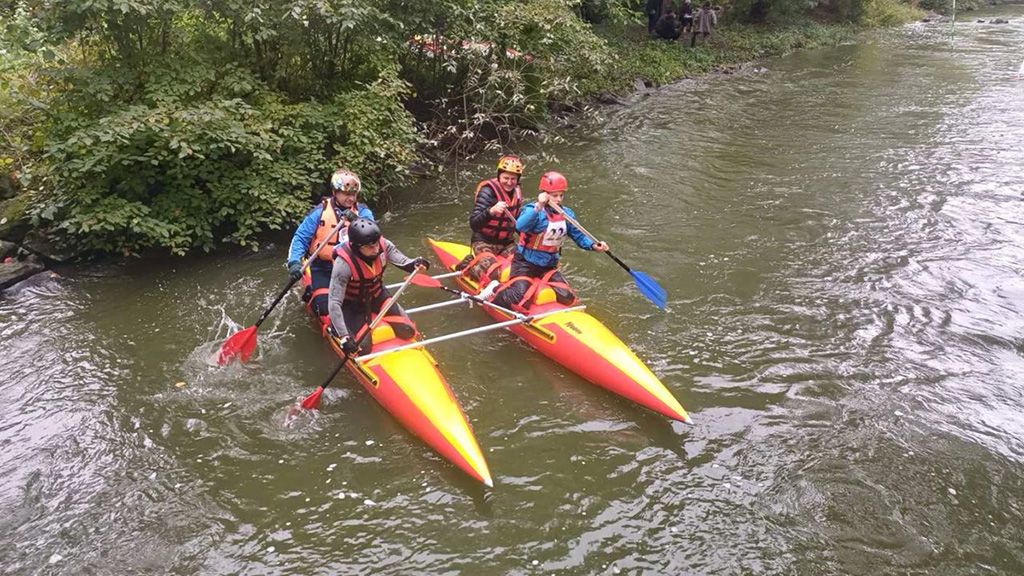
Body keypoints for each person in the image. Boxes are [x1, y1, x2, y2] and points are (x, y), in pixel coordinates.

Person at [486, 171, 609, 311]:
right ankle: (495, 291)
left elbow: (579, 236)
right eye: (554, 195)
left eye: (561, 195)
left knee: (567, 297)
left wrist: (593, 245)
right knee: (518, 294)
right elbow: (520, 225)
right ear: (545, 194)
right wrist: (539, 205)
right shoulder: (533, 210)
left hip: (549, 265)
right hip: (525, 263)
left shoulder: (566, 214)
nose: (558, 199)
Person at [326, 218, 431, 355]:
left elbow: (404, 262)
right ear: (357, 246)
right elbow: (334, 302)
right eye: (370, 246)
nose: (376, 249)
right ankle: (336, 327)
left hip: (377, 295)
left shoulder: (383, 245)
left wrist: (416, 263)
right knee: (363, 348)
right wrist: (344, 337)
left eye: (376, 244)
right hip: (352, 305)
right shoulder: (343, 264)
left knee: (408, 330)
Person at [286, 168, 375, 321]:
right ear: (335, 192)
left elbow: (375, 235)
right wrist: (294, 262)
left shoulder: (363, 212)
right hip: (324, 268)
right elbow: (300, 238)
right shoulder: (319, 212)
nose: (351, 198)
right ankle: (311, 290)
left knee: (366, 304)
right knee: (324, 309)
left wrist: (355, 220)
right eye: (346, 194)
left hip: (353, 268)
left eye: (353, 194)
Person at [460, 154, 525, 283]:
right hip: (483, 242)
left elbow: (516, 222)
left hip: (506, 243)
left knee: (525, 266)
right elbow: (474, 224)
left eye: (513, 179)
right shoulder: (487, 192)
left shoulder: (516, 192)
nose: (509, 182)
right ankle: (469, 267)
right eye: (506, 178)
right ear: (499, 176)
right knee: (494, 275)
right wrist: (491, 211)